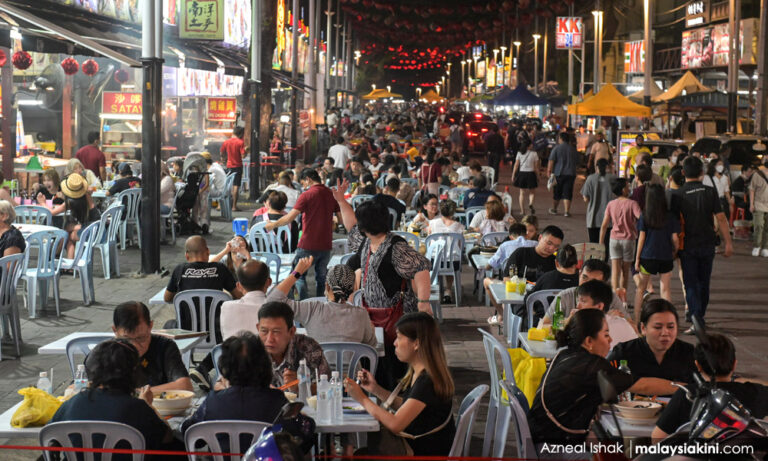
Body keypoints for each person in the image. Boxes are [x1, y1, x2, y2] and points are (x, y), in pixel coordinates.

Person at [334, 192, 432, 387]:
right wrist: (340, 200)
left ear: (366, 226)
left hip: (398, 317)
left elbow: (421, 269)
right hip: (375, 316)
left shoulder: (396, 247)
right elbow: (351, 225)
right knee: (380, 362)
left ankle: (398, 402)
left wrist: (424, 302)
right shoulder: (366, 241)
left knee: (397, 363)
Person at [343, 312, 456, 456]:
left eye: (399, 337)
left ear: (416, 343)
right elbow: (407, 406)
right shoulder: (423, 374)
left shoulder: (426, 382)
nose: (395, 343)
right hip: (419, 447)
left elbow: (396, 424)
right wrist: (375, 389)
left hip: (421, 452)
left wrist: (362, 398)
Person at [48, 339, 183, 459]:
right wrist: (149, 405)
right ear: (133, 373)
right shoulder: (138, 408)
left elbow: (50, 437)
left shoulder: (72, 403)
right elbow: (167, 438)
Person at [528, 309, 633, 445]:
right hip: (553, 447)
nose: (611, 340)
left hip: (540, 437)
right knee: (622, 449)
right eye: (606, 335)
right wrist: (671, 387)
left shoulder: (565, 354)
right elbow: (639, 384)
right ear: (589, 341)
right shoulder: (591, 365)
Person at [652, 333, 768, 439]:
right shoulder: (758, 393)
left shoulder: (687, 394)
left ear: (698, 365)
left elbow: (657, 438)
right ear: (734, 364)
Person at [181, 332, 289, 433]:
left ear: (225, 370)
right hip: (265, 454)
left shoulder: (212, 402)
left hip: (220, 454)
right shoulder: (277, 401)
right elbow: (302, 434)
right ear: (266, 367)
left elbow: (187, 429)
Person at [671, 156, 732, 330]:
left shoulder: (678, 194)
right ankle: (700, 315)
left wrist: (674, 246)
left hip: (687, 245)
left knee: (690, 282)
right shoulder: (710, 191)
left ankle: (696, 317)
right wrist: (728, 242)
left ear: (683, 173)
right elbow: (720, 218)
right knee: (704, 282)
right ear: (702, 172)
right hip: (707, 244)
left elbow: (674, 224)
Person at [265, 169, 340, 299]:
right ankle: (321, 302)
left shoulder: (307, 195)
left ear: (308, 179)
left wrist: (272, 225)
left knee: (299, 275)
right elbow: (340, 219)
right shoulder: (330, 194)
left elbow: (289, 218)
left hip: (307, 243)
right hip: (326, 244)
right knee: (322, 278)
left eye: (304, 182)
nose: (304, 185)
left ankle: (304, 303)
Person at [267, 261, 377, 347]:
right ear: (352, 289)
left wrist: (296, 273)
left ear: (327, 286)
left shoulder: (312, 309)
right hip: (352, 375)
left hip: (316, 374)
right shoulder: (361, 314)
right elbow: (371, 344)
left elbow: (273, 300)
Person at [607, 299, 696, 396]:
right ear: (643, 328)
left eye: (670, 327)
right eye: (658, 327)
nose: (665, 333)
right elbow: (604, 380)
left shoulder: (688, 352)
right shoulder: (624, 352)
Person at [484, 225, 563, 325]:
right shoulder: (521, 253)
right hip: (520, 297)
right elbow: (507, 279)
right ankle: (505, 317)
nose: (551, 248)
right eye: (549, 243)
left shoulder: (556, 261)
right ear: (540, 238)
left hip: (544, 302)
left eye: (556, 246)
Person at [111, 301, 192, 392]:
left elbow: (185, 386)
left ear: (151, 326)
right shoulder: (107, 351)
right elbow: (94, 388)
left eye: (141, 338)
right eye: (126, 340)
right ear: (115, 331)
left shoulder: (164, 347)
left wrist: (136, 393)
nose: (135, 346)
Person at [633, 184, 680, 322]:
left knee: (641, 289)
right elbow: (675, 238)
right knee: (665, 290)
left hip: (647, 256)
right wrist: (675, 251)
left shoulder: (645, 215)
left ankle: (637, 320)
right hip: (665, 256)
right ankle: (670, 322)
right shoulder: (670, 216)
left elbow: (641, 238)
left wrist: (637, 258)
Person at [257, 301, 330, 388]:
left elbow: (327, 385)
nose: (269, 339)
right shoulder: (251, 350)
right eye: (264, 331)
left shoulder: (308, 347)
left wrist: (300, 386)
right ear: (258, 328)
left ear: (291, 332)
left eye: (276, 332)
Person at [539, 259, 629, 325]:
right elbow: (544, 325)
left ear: (603, 284)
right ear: (580, 273)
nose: (586, 284)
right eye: (584, 278)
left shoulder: (611, 298)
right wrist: (568, 321)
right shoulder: (565, 296)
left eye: (593, 282)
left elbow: (633, 327)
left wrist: (615, 319)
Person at [599, 178, 642, 292]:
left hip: (614, 239)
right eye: (628, 186)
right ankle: (623, 299)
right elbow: (641, 218)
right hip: (629, 239)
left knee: (615, 270)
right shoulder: (632, 204)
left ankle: (615, 296)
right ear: (623, 190)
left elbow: (604, 225)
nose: (629, 188)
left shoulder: (611, 204)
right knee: (625, 271)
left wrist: (601, 242)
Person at [60, 174, 100, 259]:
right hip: (96, 228)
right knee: (68, 231)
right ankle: (68, 262)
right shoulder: (87, 196)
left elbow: (52, 212)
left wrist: (42, 203)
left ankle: (58, 255)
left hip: (93, 230)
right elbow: (95, 214)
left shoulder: (70, 202)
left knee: (68, 233)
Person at [581, 158, 616, 251]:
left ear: (596, 167)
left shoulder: (590, 178)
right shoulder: (613, 178)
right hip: (609, 219)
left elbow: (585, 198)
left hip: (593, 217)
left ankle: (594, 262)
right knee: (606, 244)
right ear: (608, 166)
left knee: (593, 244)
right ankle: (603, 262)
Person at [547, 132, 580, 217]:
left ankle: (554, 209)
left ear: (561, 139)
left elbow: (551, 160)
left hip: (559, 173)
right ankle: (566, 211)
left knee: (557, 192)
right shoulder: (573, 149)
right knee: (567, 192)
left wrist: (549, 171)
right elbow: (577, 162)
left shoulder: (556, 148)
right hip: (571, 174)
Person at [221, 126, 246, 211]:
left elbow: (222, 152)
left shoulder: (226, 142)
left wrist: (224, 160)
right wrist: (247, 150)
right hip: (238, 166)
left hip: (229, 166)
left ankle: (221, 205)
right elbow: (243, 155)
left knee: (227, 185)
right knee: (236, 186)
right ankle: (234, 206)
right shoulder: (240, 142)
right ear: (241, 133)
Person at [511, 139, 539, 215]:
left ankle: (522, 211)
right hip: (531, 174)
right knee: (532, 192)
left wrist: (513, 175)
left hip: (522, 174)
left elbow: (516, 165)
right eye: (531, 144)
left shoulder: (519, 153)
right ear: (528, 146)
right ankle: (530, 203)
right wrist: (538, 176)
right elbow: (536, 167)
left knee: (522, 193)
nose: (532, 145)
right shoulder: (534, 154)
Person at [702, 157, 733, 222]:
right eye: (719, 164)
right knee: (715, 223)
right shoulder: (707, 177)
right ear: (713, 166)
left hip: (723, 202)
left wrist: (730, 204)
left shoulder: (725, 177)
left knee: (724, 221)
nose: (721, 166)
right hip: (712, 202)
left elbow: (726, 191)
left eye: (722, 165)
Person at [749, 163, 768, 257]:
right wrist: (751, 204)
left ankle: (765, 248)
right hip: (759, 203)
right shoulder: (757, 174)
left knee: (767, 228)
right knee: (759, 225)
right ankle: (756, 246)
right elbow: (752, 189)